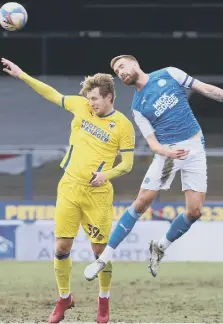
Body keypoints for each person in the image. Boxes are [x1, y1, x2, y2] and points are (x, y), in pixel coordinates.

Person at [1, 57, 135, 323]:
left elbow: (128, 164)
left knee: (100, 253)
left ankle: (103, 300)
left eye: (95, 98)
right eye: (89, 98)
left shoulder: (123, 126)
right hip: (70, 186)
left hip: (97, 194)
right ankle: (64, 298)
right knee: (62, 246)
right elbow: (51, 94)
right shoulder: (81, 106)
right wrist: (22, 75)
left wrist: (106, 174)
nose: (91, 103)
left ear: (109, 97)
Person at [84, 54, 223, 281]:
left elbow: (205, 89)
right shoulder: (138, 106)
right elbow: (152, 143)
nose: (121, 72)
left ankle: (160, 246)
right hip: (168, 152)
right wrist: (167, 152)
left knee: (195, 212)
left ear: (135, 63)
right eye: (117, 72)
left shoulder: (170, 73)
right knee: (142, 202)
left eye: (122, 66)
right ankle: (103, 258)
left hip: (195, 148)